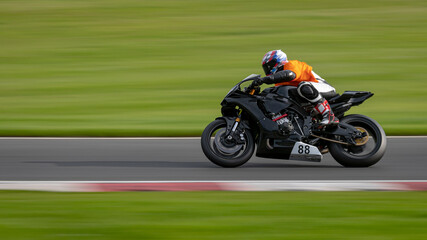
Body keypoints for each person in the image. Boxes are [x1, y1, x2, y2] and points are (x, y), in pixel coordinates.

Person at [256, 50, 339, 125]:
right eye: (266, 67)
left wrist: (264, 80)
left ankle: (329, 115)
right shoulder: (279, 81)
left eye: (269, 65)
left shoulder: (291, 64)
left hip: (324, 88)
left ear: (278, 61)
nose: (268, 69)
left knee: (303, 86)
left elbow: (290, 75)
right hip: (308, 97)